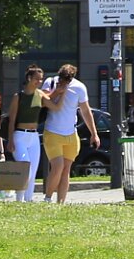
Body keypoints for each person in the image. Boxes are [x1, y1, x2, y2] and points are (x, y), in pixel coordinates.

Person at [39, 64, 99, 204]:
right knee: (57, 166)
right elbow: (41, 101)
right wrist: (57, 92)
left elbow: (85, 110)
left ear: (71, 78)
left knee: (66, 170)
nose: (63, 82)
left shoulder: (79, 87)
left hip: (71, 134)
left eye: (66, 80)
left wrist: (94, 133)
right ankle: (47, 198)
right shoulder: (50, 82)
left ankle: (61, 202)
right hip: (52, 132)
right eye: (61, 78)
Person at [9, 67, 47, 203]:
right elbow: (11, 120)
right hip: (20, 135)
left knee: (33, 170)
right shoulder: (18, 96)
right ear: (29, 78)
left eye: (41, 79)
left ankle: (28, 199)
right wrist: (10, 140)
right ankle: (19, 199)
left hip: (34, 136)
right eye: (37, 79)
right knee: (26, 170)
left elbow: (53, 103)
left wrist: (61, 91)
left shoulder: (40, 94)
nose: (39, 81)